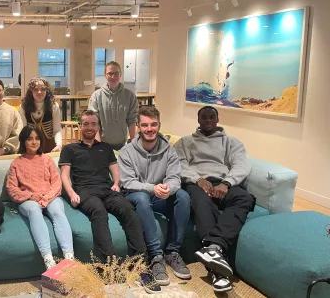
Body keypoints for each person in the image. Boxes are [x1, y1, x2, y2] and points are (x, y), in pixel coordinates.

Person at [58, 110, 160, 293]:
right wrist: (72, 193)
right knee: (99, 212)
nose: (89, 127)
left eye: (93, 124)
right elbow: (64, 175)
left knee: (129, 210)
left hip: (107, 190)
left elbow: (115, 169)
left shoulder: (105, 148)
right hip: (85, 191)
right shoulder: (70, 149)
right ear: (79, 127)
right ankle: (109, 266)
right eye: (86, 124)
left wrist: (116, 184)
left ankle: (140, 265)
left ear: (98, 127)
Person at [174, 106, 255, 293]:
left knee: (245, 198)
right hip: (197, 182)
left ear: (217, 120)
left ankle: (214, 247)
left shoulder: (231, 142)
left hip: (223, 183)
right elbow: (177, 163)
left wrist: (226, 183)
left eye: (212, 117)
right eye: (204, 117)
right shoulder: (186, 142)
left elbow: (241, 165)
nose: (208, 120)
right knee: (202, 203)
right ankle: (218, 273)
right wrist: (198, 179)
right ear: (198, 119)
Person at [118, 106, 191, 286]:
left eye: (153, 124)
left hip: (160, 196)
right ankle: (156, 257)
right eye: (144, 125)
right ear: (138, 126)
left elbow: (174, 178)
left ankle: (172, 253)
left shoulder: (169, 150)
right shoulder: (126, 151)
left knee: (183, 195)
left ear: (159, 125)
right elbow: (128, 182)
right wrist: (152, 188)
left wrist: (169, 188)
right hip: (135, 196)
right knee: (142, 198)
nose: (149, 129)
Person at [6, 126, 74, 269]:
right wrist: (31, 196)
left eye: (37, 138)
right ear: (23, 141)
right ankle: (48, 259)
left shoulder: (47, 160)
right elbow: (12, 189)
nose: (34, 142)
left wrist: (46, 198)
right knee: (34, 210)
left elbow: (56, 183)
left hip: (49, 196)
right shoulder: (16, 163)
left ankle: (69, 257)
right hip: (29, 200)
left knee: (57, 212)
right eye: (30, 139)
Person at [88, 61, 138, 151]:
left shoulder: (130, 96)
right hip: (102, 145)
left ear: (120, 74)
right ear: (105, 75)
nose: (113, 76)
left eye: (116, 73)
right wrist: (98, 145)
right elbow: (93, 122)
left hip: (123, 145)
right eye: (110, 73)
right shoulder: (96, 96)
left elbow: (132, 120)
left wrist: (133, 143)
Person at [18, 77, 63, 153]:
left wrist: (59, 145)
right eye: (35, 89)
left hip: (50, 147)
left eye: (43, 89)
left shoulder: (54, 106)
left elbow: (57, 130)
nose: (39, 92)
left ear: (47, 90)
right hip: (30, 148)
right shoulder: (23, 107)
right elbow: (23, 131)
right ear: (31, 91)